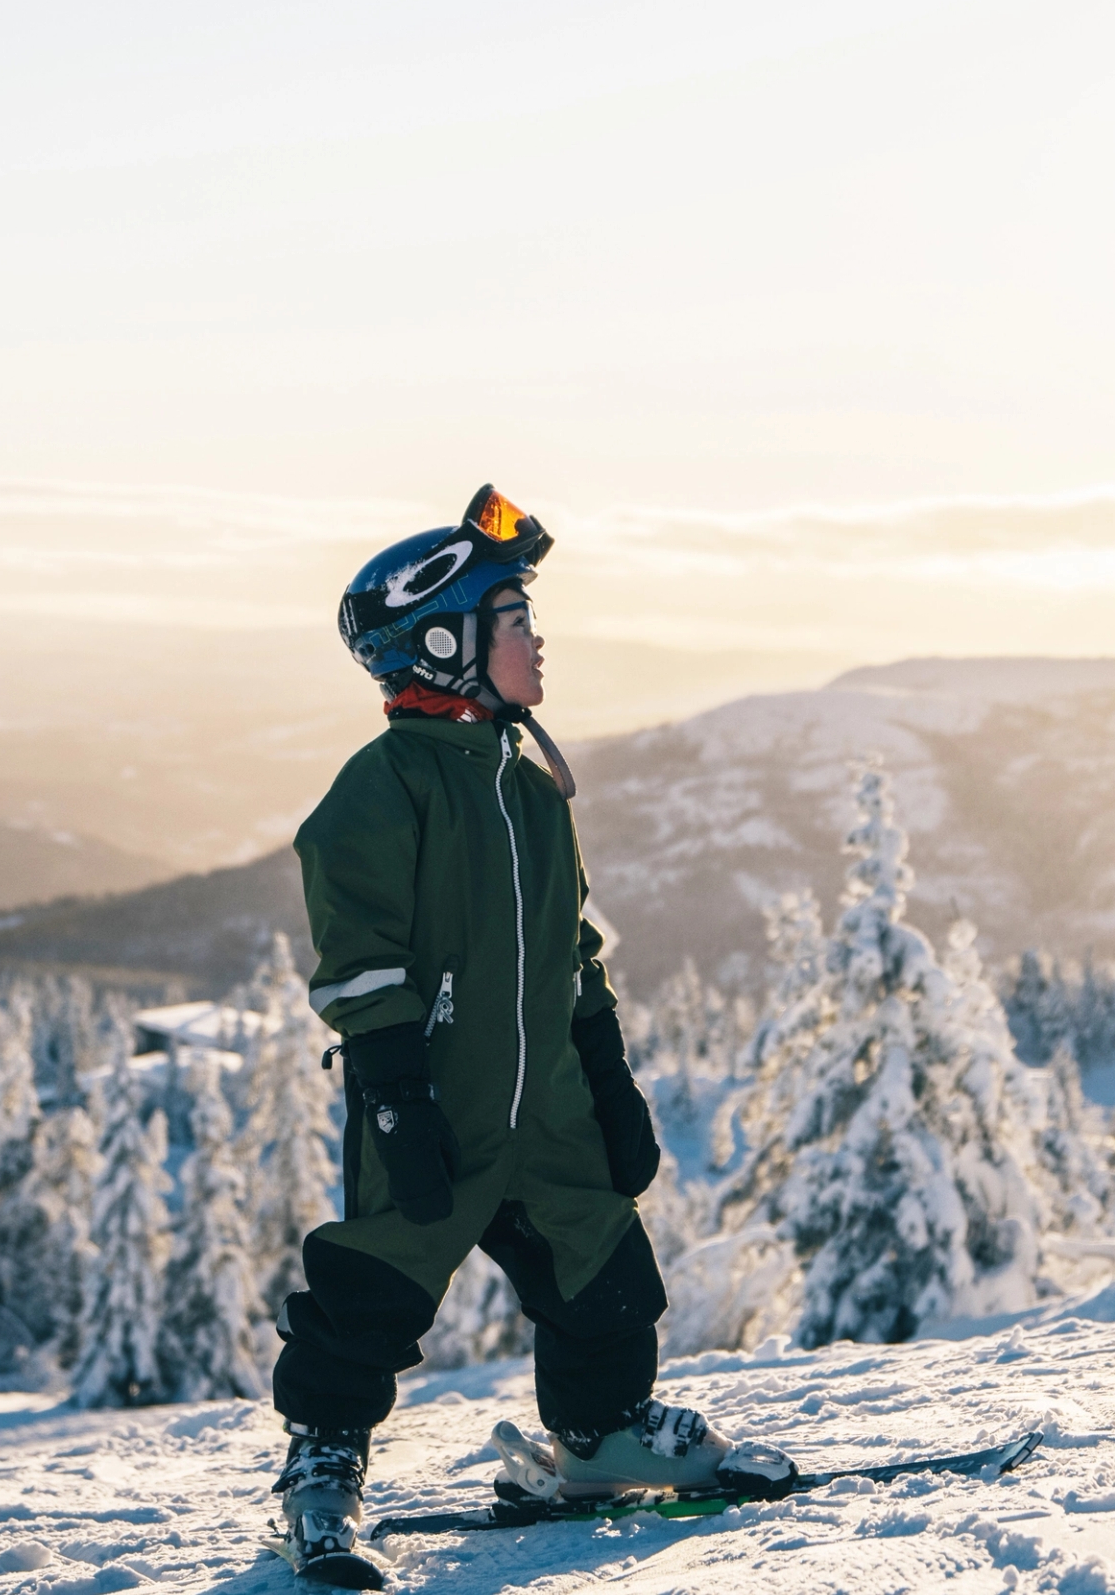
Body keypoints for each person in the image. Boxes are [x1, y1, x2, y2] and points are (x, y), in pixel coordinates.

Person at [266, 485, 790, 1587]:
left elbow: (573, 951)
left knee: (603, 1262)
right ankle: (323, 1468)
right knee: (375, 1289)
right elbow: (359, 961)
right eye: (515, 619)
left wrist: (606, 1075)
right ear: (448, 643)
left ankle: (601, 1434)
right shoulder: (385, 788)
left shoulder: (531, 789)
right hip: (439, 1102)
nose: (538, 639)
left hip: (546, 1109)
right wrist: (398, 1095)